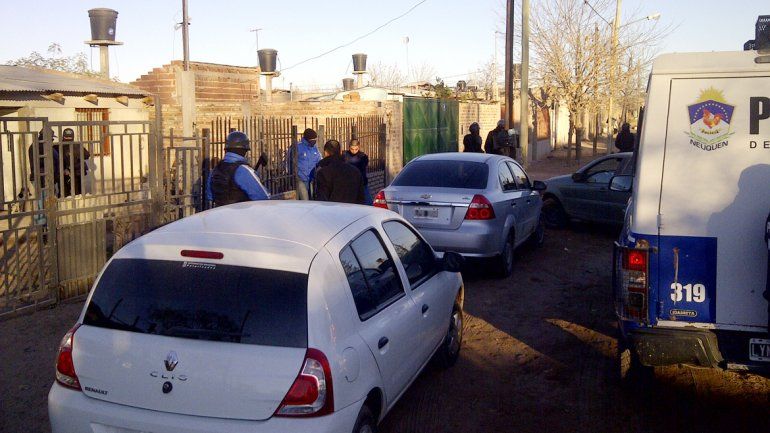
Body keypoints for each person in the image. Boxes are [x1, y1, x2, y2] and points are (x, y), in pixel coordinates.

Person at [206, 131, 269, 206]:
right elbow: (263, 197)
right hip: (241, 215)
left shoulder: (215, 170)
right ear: (245, 150)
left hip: (221, 214)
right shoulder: (243, 170)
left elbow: (210, 196)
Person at [315, 139, 365, 204]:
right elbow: (361, 197)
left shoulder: (323, 172)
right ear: (340, 152)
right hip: (353, 211)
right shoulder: (355, 171)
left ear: (326, 153)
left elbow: (322, 199)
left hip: (333, 211)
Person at [287, 128, 322, 200]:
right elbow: (289, 161)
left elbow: (320, 160)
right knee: (305, 199)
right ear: (307, 139)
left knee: (313, 198)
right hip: (300, 178)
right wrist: (291, 174)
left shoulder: (315, 148)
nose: (314, 141)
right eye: (312, 140)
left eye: (315, 139)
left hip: (312, 179)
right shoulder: (297, 147)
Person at [59, 128, 90, 196]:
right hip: (69, 173)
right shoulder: (61, 146)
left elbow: (87, 155)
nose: (68, 139)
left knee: (72, 193)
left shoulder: (61, 146)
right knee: (74, 193)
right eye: (67, 137)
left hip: (74, 173)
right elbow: (87, 155)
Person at [344, 138, 372, 205]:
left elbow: (362, 168)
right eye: (352, 149)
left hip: (361, 183)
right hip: (348, 183)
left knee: (368, 203)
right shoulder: (345, 155)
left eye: (356, 149)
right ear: (349, 147)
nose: (354, 151)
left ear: (358, 147)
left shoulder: (363, 156)